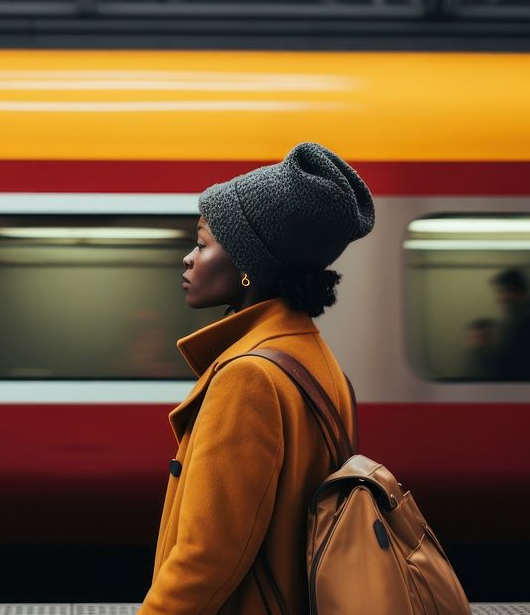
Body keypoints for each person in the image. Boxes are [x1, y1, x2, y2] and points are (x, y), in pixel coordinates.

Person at [139, 142, 374, 614]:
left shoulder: (247, 377)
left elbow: (208, 555)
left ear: (249, 268)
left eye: (203, 244)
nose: (188, 258)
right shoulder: (314, 358)